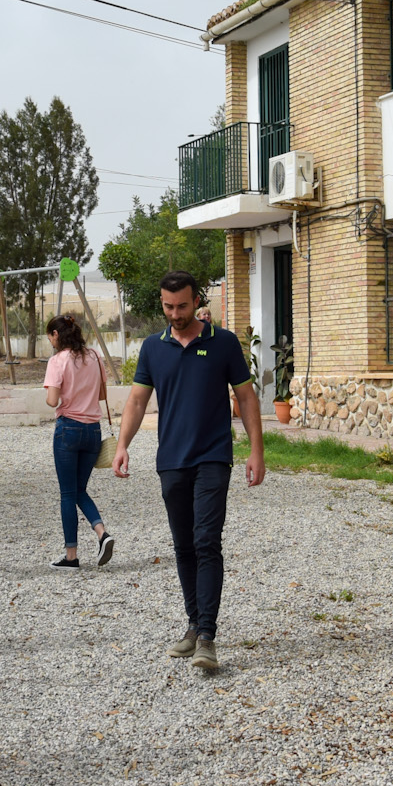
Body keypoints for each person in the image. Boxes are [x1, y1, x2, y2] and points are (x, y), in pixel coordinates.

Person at [113, 270, 265, 674]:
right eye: (167, 306)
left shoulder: (224, 342)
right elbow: (136, 401)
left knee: (206, 540)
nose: (175, 314)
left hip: (214, 456)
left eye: (182, 306)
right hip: (171, 461)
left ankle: (207, 637)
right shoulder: (152, 348)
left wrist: (256, 451)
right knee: (183, 546)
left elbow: (246, 398)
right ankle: (194, 624)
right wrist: (123, 445)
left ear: (196, 300)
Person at [43, 314, 114, 570]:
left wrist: (61, 392)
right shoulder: (94, 356)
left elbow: (52, 400)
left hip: (68, 429)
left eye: (49, 336)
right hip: (92, 431)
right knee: (79, 490)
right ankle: (102, 533)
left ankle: (71, 556)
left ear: (55, 335)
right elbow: (103, 394)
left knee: (67, 494)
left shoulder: (57, 360)